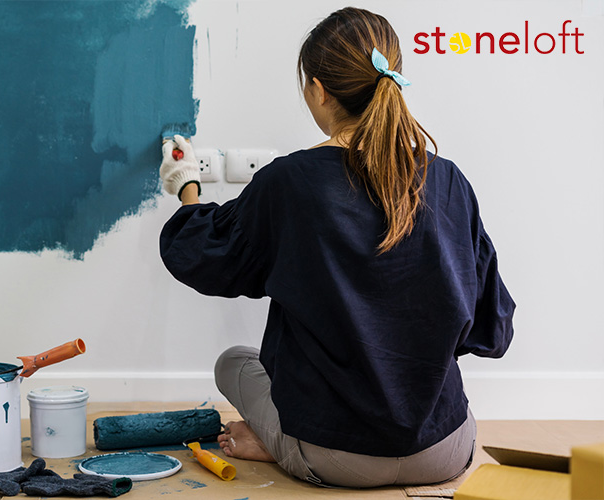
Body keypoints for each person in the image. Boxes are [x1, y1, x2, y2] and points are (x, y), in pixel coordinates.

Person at [158, 7, 514, 488]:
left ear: (319, 90)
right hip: (446, 451)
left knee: (234, 363)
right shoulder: (448, 180)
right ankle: (279, 438)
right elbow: (490, 330)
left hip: (334, 457)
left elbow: (200, 252)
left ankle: (275, 442)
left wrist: (186, 185)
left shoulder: (291, 182)